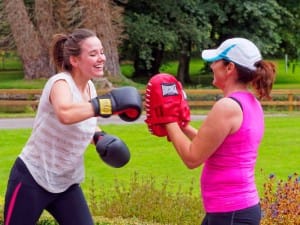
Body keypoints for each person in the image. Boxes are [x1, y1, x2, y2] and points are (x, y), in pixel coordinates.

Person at [4, 28, 141, 225]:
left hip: (66, 183)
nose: (101, 58)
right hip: (32, 178)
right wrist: (106, 104)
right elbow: (66, 113)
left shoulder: (90, 87)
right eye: (93, 54)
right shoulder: (60, 83)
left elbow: (86, 120)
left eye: (101, 52)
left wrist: (100, 138)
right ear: (74, 60)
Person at [146, 38, 276, 225]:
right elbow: (214, 146)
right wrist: (182, 126)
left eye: (216, 61)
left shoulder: (227, 107)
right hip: (233, 210)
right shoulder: (250, 103)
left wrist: (169, 120)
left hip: (230, 212)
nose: (212, 65)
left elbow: (192, 158)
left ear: (229, 68)